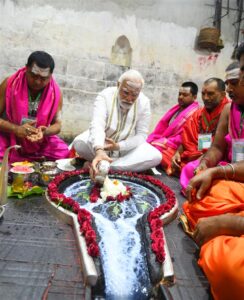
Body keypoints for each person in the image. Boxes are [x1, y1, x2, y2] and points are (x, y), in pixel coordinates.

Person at [181, 46, 244, 299]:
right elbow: (217, 147)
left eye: (236, 81)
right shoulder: (232, 110)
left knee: (230, 270)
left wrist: (231, 223)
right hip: (237, 177)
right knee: (201, 197)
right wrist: (206, 164)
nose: (233, 86)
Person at [72, 69, 162, 178]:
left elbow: (141, 135)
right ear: (118, 85)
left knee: (156, 156)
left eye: (134, 95)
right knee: (79, 143)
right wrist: (99, 150)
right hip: (101, 144)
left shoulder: (144, 102)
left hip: (125, 150)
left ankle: (105, 167)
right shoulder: (105, 95)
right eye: (126, 92)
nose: (129, 99)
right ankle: (113, 165)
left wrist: (119, 146)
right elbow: (97, 124)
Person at [0, 51, 69, 162]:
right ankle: (29, 158)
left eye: (43, 78)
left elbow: (58, 125)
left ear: (50, 75)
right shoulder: (10, 84)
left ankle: (26, 157)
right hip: (11, 137)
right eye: (33, 76)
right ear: (26, 68)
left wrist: (44, 132)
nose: (37, 82)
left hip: (39, 141)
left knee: (63, 151)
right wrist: (16, 129)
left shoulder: (55, 93)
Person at [171, 78, 229, 188]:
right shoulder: (199, 113)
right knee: (172, 158)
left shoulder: (228, 112)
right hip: (195, 153)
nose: (206, 98)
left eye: (211, 94)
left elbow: (221, 147)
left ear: (222, 95)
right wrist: (177, 153)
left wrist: (203, 158)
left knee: (189, 169)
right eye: (203, 94)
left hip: (216, 157)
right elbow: (186, 137)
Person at [147, 82, 199, 174]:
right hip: (168, 142)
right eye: (179, 94)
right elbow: (163, 127)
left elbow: (186, 137)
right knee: (148, 145)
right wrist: (158, 139)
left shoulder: (195, 113)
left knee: (158, 152)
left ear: (194, 97)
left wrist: (165, 142)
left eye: (185, 95)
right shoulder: (176, 109)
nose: (181, 97)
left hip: (180, 147)